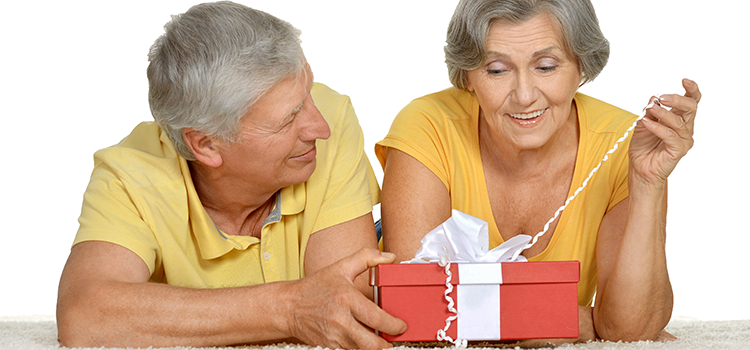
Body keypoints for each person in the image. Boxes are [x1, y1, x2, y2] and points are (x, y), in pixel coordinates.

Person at [56, 2, 406, 349]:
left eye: (309, 92)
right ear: (207, 145)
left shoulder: (333, 118)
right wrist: (290, 308)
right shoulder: (130, 175)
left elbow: (347, 301)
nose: (320, 127)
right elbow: (85, 315)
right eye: (289, 118)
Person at [376, 0, 700, 343]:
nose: (524, 96)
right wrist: (577, 320)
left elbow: (630, 329)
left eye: (546, 67)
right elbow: (414, 313)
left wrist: (648, 183)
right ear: (467, 76)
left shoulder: (624, 143)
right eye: (497, 70)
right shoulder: (428, 125)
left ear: (581, 67)